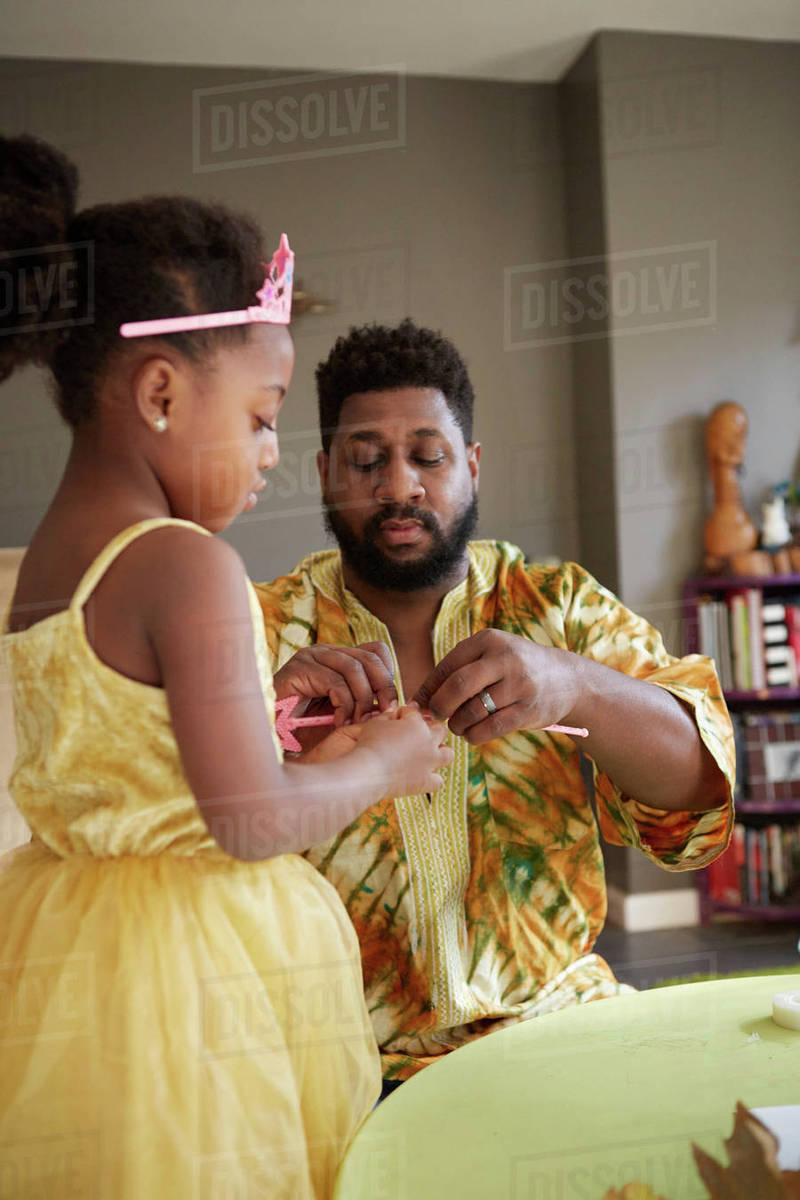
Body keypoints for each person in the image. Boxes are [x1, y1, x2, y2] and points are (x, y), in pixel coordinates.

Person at [0, 139, 452, 1198]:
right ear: (159, 392)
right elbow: (248, 820)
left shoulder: (47, 566)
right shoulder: (186, 563)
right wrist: (379, 762)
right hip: (190, 980)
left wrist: (266, 701)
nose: (267, 453)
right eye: (260, 416)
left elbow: (115, 747)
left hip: (66, 960)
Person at [254, 318, 735, 1089]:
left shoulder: (554, 604)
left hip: (559, 1032)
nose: (400, 485)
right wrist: (267, 717)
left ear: (472, 466)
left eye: (428, 457)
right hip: (335, 1068)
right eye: (366, 460)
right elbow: (191, 830)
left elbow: (698, 796)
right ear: (324, 473)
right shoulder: (261, 630)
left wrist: (574, 683)